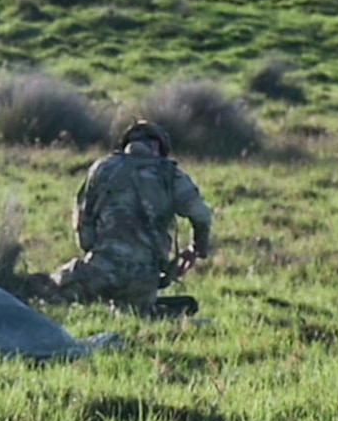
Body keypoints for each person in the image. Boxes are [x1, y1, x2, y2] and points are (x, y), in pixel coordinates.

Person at [47, 119, 214, 313]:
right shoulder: (171, 175)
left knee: (47, 293)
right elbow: (202, 215)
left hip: (100, 271)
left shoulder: (102, 168)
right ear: (158, 146)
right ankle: (159, 315)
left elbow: (83, 221)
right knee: (134, 313)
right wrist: (197, 248)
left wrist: (93, 252)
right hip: (144, 279)